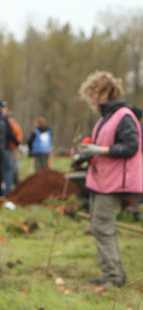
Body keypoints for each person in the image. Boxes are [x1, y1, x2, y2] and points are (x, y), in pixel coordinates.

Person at [75, 70, 143, 288]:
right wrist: (86, 153)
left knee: (103, 227)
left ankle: (113, 278)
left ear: (105, 92)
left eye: (93, 95)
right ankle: (110, 274)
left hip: (115, 182)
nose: (92, 101)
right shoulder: (107, 117)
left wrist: (100, 149)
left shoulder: (124, 116)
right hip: (102, 179)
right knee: (98, 226)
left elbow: (132, 147)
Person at [7, 111, 23, 186]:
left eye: (11, 118)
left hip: (14, 148)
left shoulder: (15, 127)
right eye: (8, 118)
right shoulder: (6, 126)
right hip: (7, 148)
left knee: (15, 164)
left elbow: (19, 138)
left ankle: (15, 180)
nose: (9, 120)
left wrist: (16, 143)